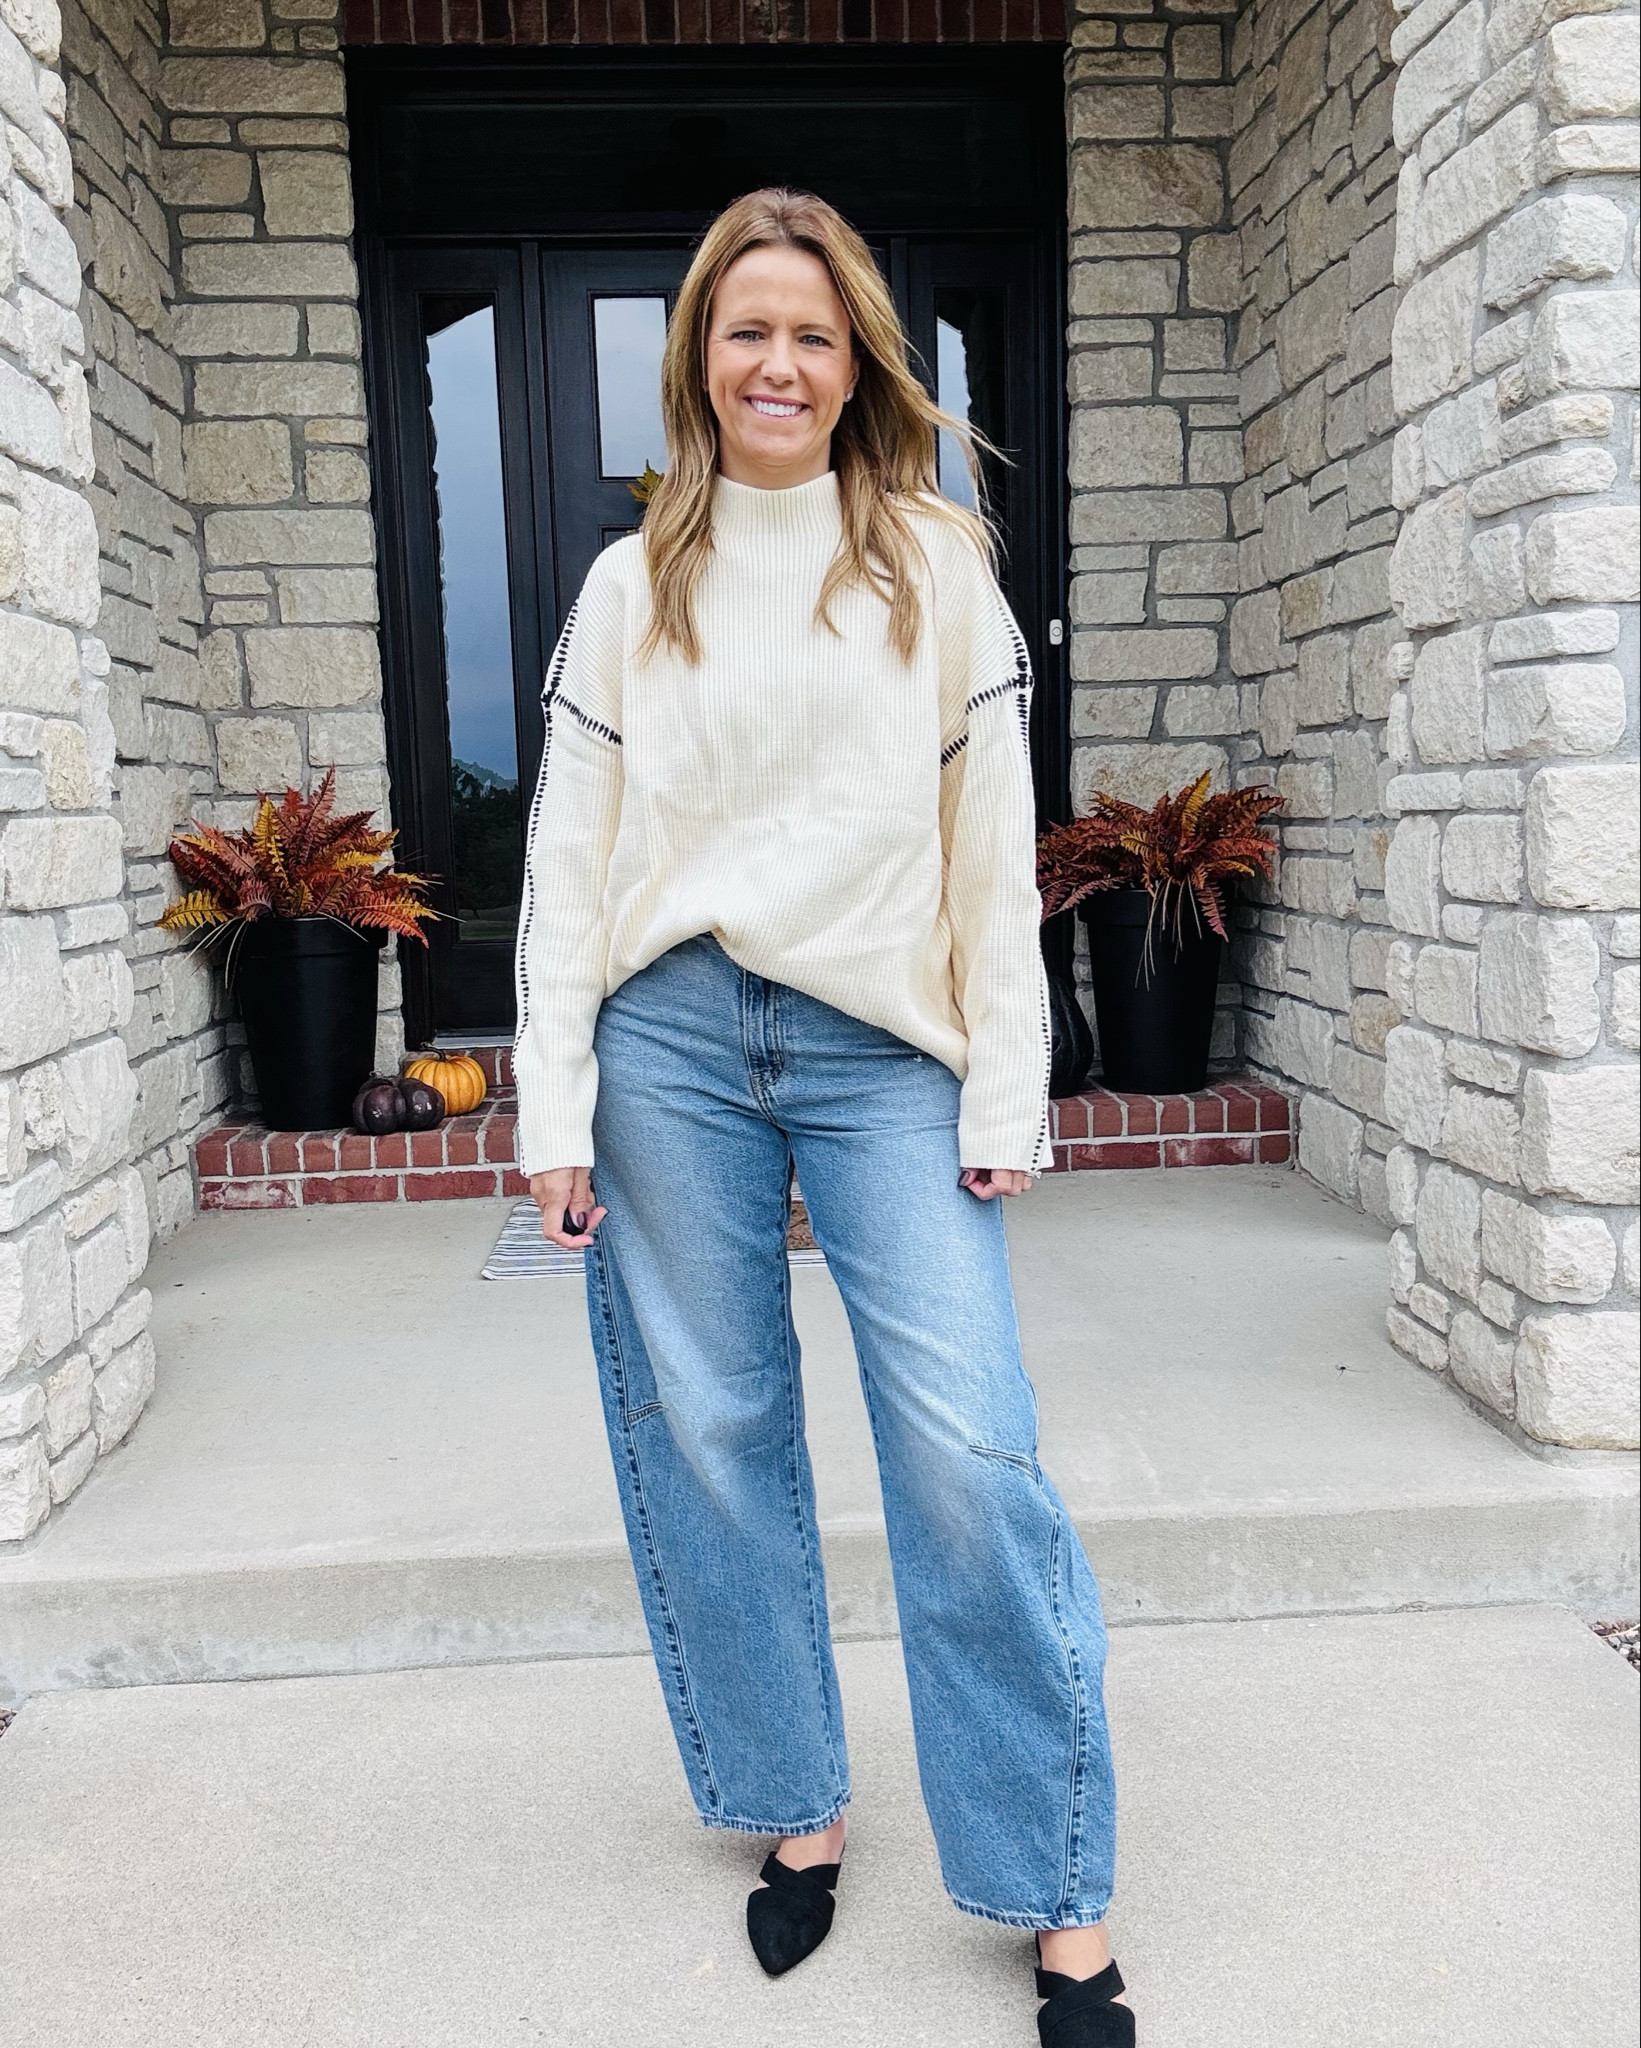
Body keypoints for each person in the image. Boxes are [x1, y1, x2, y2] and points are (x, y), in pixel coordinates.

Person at [515, 186, 1131, 2047]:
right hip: (674, 1043)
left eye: (809, 331)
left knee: (967, 1450)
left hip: (885, 1051)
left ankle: (1055, 1892)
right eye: (740, 329)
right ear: (695, 358)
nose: (774, 362)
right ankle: (797, 1810)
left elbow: (984, 848)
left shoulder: (938, 567)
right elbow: (566, 856)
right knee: (708, 1427)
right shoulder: (634, 583)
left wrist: (1007, 1078)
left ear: (860, 357)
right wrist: (554, 1097)